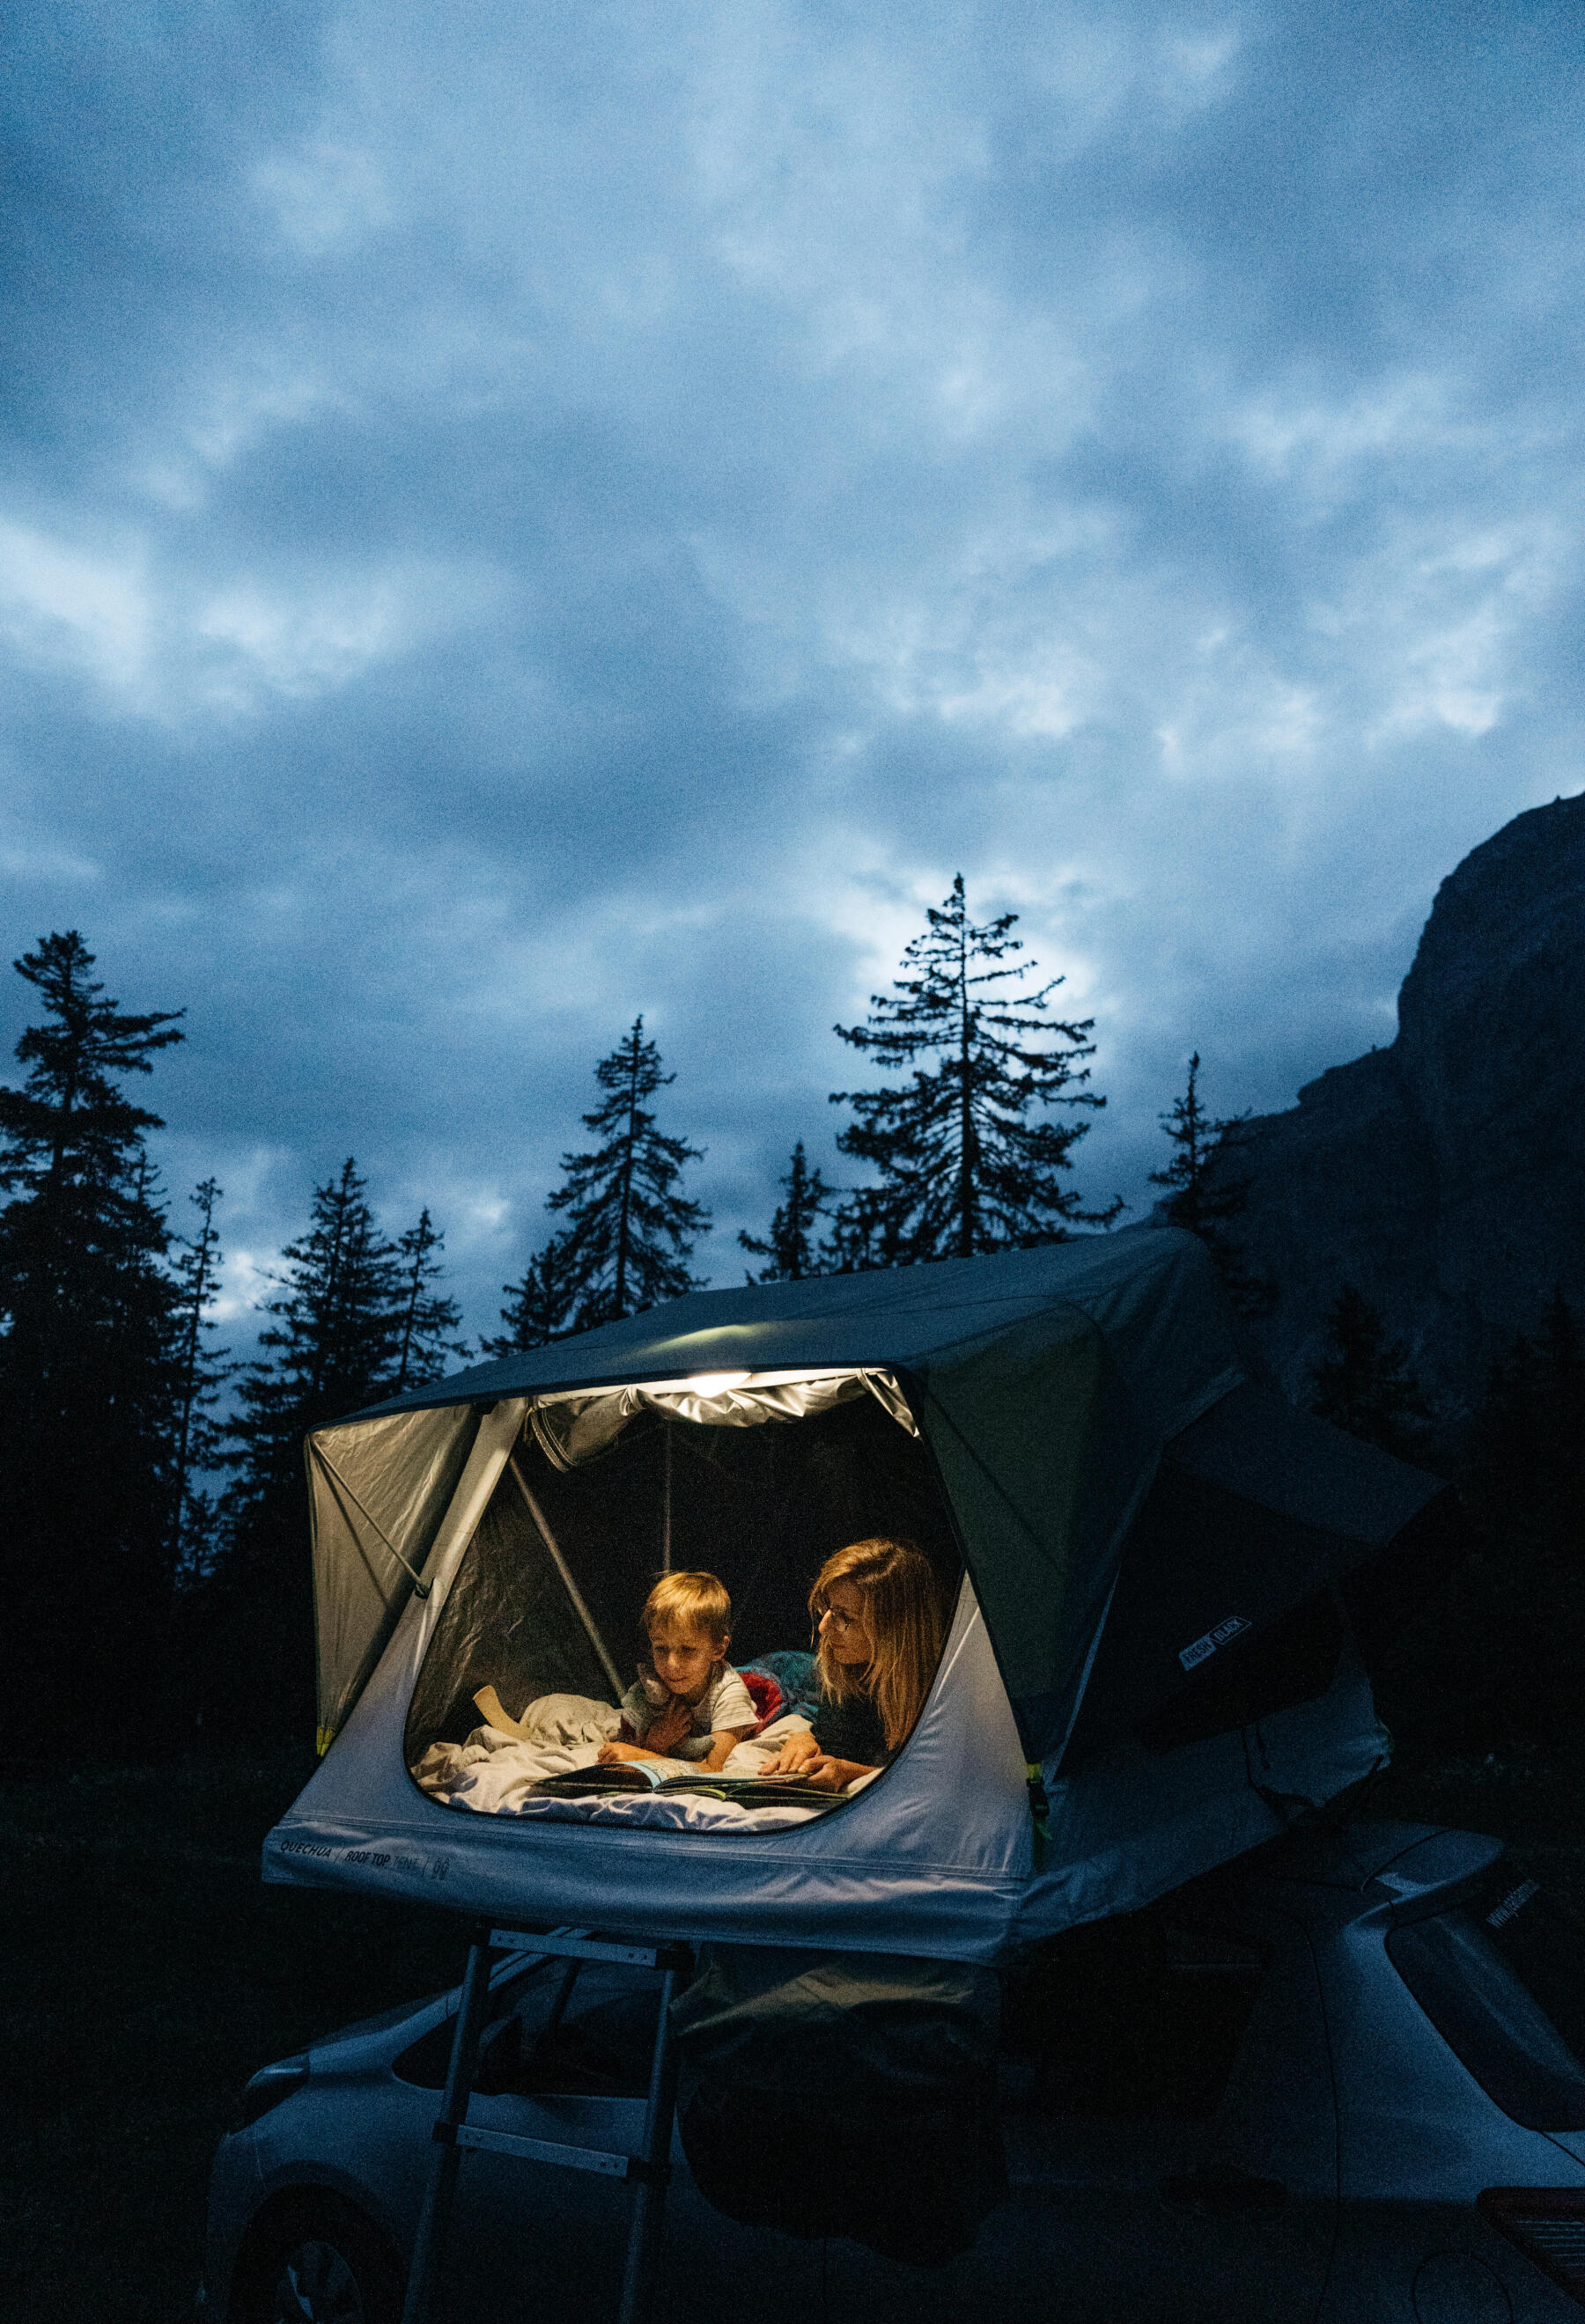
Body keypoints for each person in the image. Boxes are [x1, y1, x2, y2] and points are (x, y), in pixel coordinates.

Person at [767, 1537, 943, 1791]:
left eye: (845, 1617)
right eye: (828, 1609)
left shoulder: (944, 1689)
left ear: (893, 1628)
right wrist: (808, 1744)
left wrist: (852, 1773)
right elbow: (838, 1748)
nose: (824, 1626)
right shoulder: (847, 1668)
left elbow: (941, 1781)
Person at [597, 1570, 757, 1773]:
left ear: (718, 1649)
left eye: (688, 1650)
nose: (671, 1665)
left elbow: (714, 1770)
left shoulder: (729, 1695)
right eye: (661, 1648)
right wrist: (655, 1744)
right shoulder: (653, 1686)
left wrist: (644, 1757)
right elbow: (627, 1744)